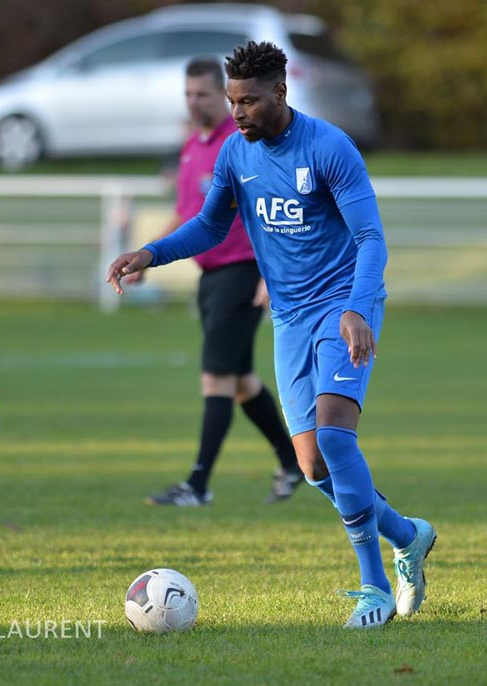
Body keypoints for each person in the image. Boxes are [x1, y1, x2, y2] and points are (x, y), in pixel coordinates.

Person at [107, 41, 436, 628]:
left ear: (281, 92)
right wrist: (151, 253)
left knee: (335, 438)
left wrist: (357, 308)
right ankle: (408, 537)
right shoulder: (236, 154)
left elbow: (370, 239)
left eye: (250, 101)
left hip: (344, 307)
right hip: (288, 317)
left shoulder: (330, 147)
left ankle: (375, 589)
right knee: (312, 467)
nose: (237, 113)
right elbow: (210, 226)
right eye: (232, 101)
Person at [125, 57, 301, 507]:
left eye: (203, 94)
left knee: (216, 378)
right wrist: (149, 254)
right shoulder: (193, 147)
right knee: (241, 382)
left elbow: (275, 213)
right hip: (211, 276)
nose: (195, 102)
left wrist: (270, 275)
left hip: (242, 272)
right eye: (189, 94)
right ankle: (292, 462)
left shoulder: (242, 143)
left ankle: (197, 485)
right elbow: (191, 216)